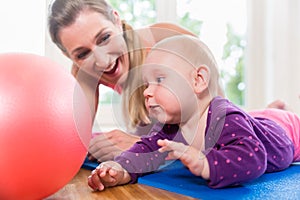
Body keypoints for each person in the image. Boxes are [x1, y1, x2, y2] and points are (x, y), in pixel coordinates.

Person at [87, 35, 300, 190]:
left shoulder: (224, 117)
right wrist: (119, 169)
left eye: (160, 80)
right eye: (146, 85)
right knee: (251, 120)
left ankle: (281, 110)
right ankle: (272, 109)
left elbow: (253, 158)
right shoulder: (173, 127)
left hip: (287, 130)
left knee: (273, 120)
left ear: (198, 80)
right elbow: (146, 150)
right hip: (253, 120)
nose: (148, 92)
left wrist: (205, 162)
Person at [48, 0, 224, 162]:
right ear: (68, 55)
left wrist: (142, 146)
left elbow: (218, 137)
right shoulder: (84, 72)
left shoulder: (167, 40)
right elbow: (72, 143)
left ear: (117, 20)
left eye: (104, 38)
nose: (102, 61)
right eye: (83, 54)